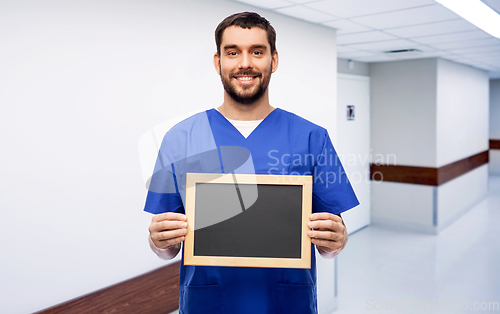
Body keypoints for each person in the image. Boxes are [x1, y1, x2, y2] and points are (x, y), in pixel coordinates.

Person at [144, 12, 359, 314]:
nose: (245, 63)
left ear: (274, 60)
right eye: (233, 52)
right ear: (218, 62)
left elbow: (330, 245)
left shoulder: (311, 138)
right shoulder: (180, 139)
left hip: (287, 304)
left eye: (257, 52)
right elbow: (166, 248)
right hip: (207, 303)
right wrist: (159, 241)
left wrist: (336, 241)